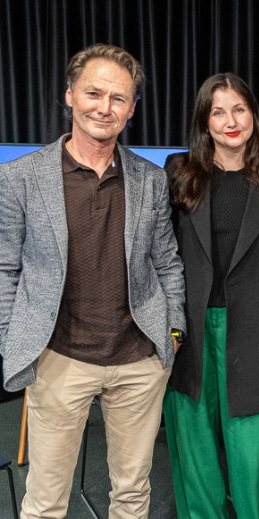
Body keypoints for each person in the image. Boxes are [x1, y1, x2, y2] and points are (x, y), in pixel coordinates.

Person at [0, 44, 185, 518]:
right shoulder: (20, 178)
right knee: (45, 502)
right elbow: (5, 269)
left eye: (118, 98)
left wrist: (173, 330)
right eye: (94, 93)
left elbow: (167, 261)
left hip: (139, 360)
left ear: (132, 109)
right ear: (70, 95)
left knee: (132, 495)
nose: (105, 107)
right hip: (59, 359)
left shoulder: (150, 179)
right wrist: (13, 340)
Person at [162, 73, 259, 519]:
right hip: (189, 331)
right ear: (204, 121)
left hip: (257, 330)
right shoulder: (178, 174)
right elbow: (160, 257)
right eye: (218, 112)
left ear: (253, 116)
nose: (230, 121)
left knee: (257, 456)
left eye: (239, 110)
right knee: (195, 453)